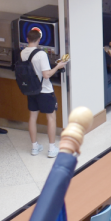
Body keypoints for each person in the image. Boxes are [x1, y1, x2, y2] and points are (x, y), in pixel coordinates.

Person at [21, 27, 66, 157]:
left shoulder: (23, 53)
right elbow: (46, 75)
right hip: (45, 91)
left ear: (27, 39)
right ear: (39, 40)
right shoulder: (41, 54)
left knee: (32, 117)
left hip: (31, 90)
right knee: (51, 118)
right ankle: (52, 149)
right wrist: (58, 66)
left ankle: (34, 147)